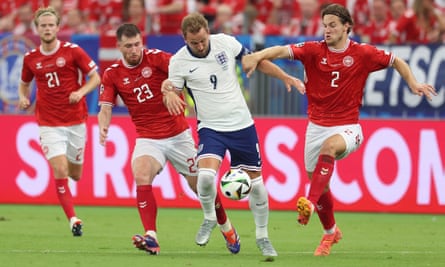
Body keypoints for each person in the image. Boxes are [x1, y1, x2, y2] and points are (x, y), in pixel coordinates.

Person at [241, 3, 437, 256]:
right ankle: (330, 233)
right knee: (321, 185)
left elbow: (396, 60)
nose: (327, 30)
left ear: (347, 27)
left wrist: (413, 83)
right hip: (315, 126)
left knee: (330, 149)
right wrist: (257, 56)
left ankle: (308, 204)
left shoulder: (363, 53)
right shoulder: (313, 50)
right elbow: (280, 50)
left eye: (333, 25)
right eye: (325, 25)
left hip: (348, 127)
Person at [161, 12, 303, 258]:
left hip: (242, 125)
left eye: (203, 40)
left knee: (257, 186)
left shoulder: (225, 42)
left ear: (208, 32)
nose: (200, 45)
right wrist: (169, 95)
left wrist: (284, 76)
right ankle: (209, 219)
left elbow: (254, 61)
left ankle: (262, 236)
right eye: (194, 42)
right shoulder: (179, 62)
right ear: (184, 39)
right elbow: (171, 90)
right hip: (211, 128)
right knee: (204, 178)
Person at [97, 23, 233, 255]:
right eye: (128, 46)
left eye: (137, 44)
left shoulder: (158, 59)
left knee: (203, 187)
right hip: (148, 138)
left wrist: (170, 90)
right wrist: (103, 126)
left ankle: (227, 228)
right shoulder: (112, 74)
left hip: (179, 135)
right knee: (140, 172)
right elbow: (105, 107)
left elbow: (183, 73)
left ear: (142, 42)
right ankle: (151, 236)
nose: (134, 50)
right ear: (119, 47)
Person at [18, 6, 101, 237]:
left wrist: (81, 92)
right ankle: (73, 219)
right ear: (37, 29)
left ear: (57, 27)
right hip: (48, 123)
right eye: (42, 25)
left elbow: (95, 77)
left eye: (50, 25)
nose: (46, 29)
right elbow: (24, 82)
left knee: (75, 174)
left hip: (75, 121)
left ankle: (72, 205)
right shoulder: (31, 58)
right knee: (60, 168)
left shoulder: (73, 52)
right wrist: (24, 97)